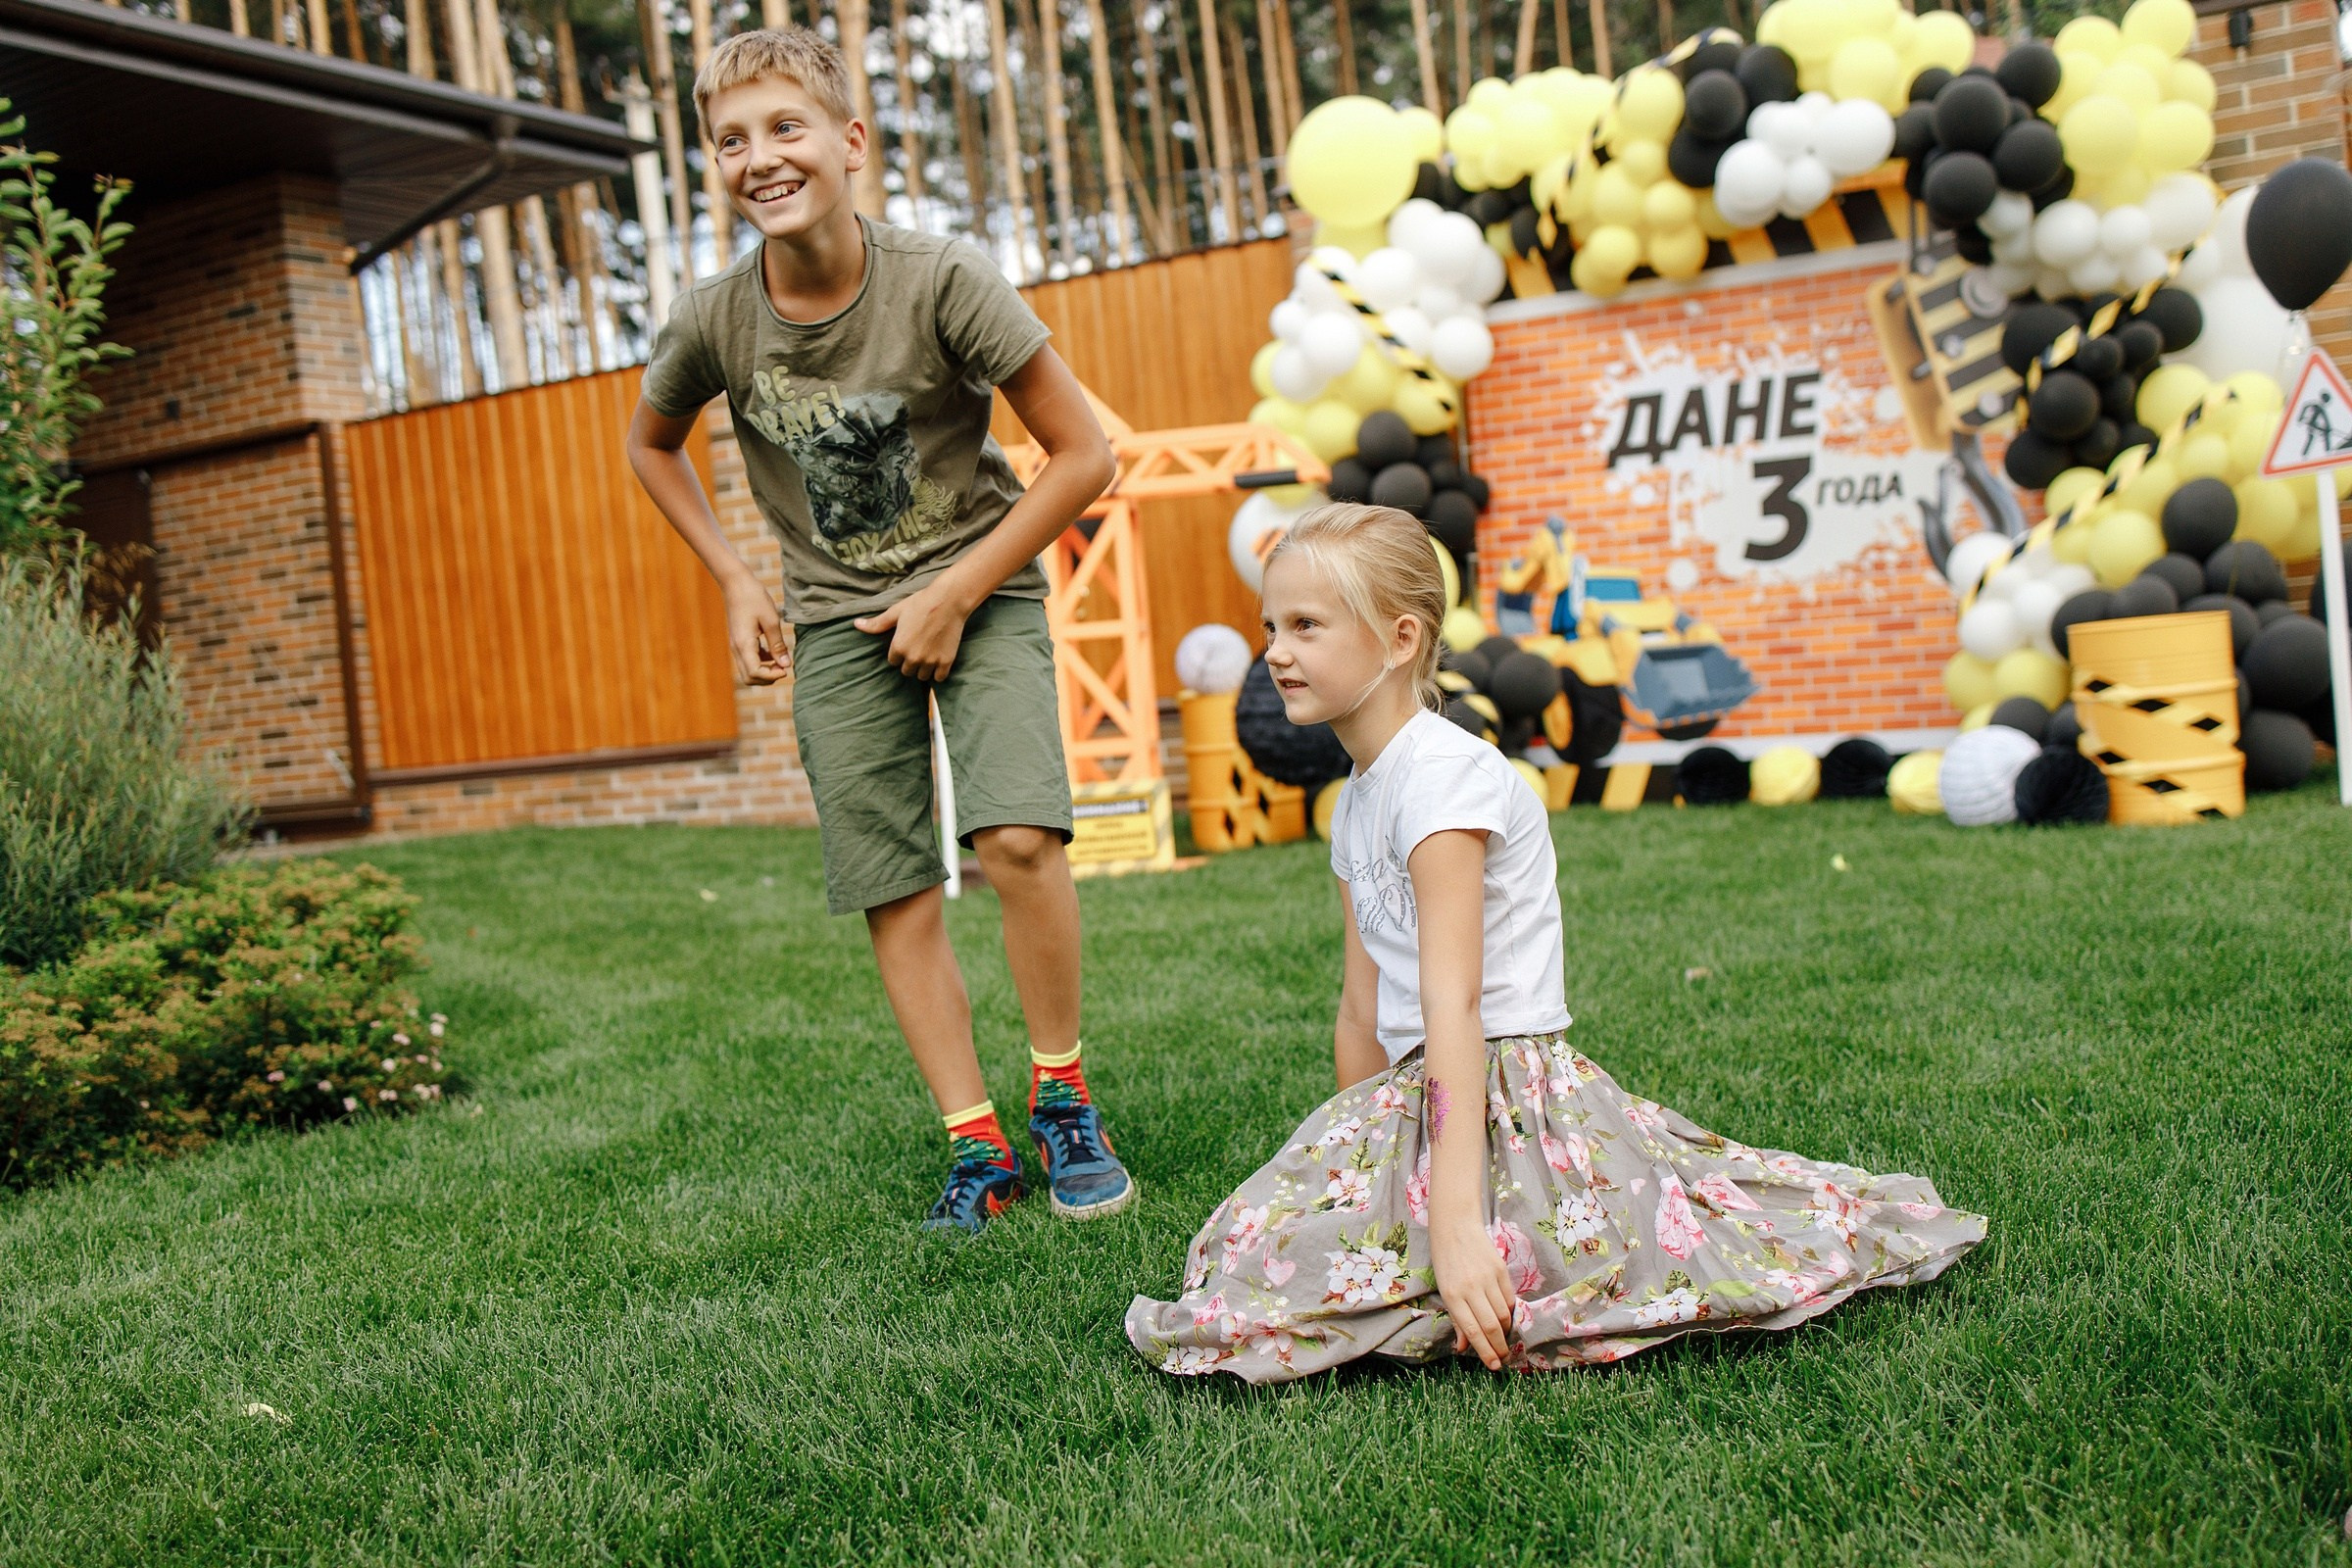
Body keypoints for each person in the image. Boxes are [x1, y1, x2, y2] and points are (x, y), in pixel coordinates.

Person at [1125, 504, 1984, 1380]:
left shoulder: (1443, 778)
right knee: (1239, 1258)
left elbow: (1453, 1002)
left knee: (1477, 1292)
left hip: (1506, 1094)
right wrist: (1355, 1171)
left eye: (1306, 625)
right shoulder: (1357, 798)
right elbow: (1361, 1003)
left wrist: (1454, 1225)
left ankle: (1499, 1239)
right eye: (1270, 625)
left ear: (1398, 639)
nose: (1274, 650)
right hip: (1420, 1095)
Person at [625, 26, 1133, 1234]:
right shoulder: (714, 321)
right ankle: (977, 1144)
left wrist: (959, 592)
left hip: (985, 585)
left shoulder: (942, 279)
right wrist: (740, 584)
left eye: (785, 128)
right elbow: (649, 445)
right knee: (893, 885)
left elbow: (1086, 455)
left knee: (1015, 839)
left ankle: (1061, 1094)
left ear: (849, 142)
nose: (760, 157)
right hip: (836, 624)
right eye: (730, 140)